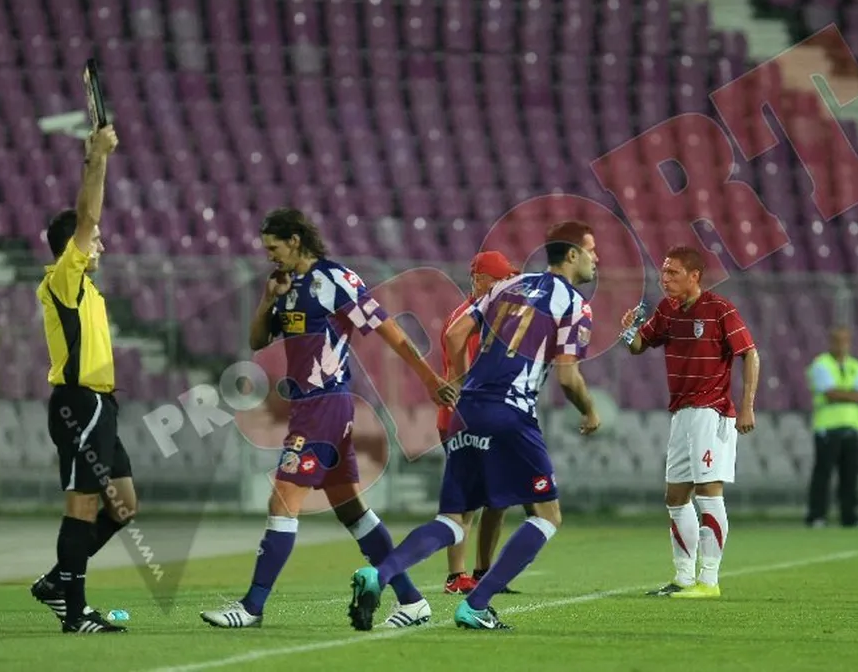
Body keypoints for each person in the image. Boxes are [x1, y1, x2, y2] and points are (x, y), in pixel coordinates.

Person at [200, 207, 457, 629]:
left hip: (325, 405)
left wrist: (429, 379)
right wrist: (268, 299)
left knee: (282, 500)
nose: (269, 256)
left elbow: (389, 331)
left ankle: (251, 607)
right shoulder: (285, 286)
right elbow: (258, 340)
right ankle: (412, 601)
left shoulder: (335, 280)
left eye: (274, 247)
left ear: (295, 240)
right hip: (311, 406)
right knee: (351, 509)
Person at [347, 220, 601, 632]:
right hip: (511, 411)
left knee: (452, 519)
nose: (596, 259)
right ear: (572, 255)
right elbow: (569, 378)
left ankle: (379, 574)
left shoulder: (508, 286)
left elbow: (455, 333)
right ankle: (477, 604)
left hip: (467, 411)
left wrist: (462, 382)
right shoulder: (575, 305)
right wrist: (589, 411)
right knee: (547, 515)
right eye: (591, 250)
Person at [29, 125, 135, 633]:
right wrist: (98, 158)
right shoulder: (63, 280)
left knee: (123, 506)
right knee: (83, 506)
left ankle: (58, 581)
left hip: (102, 406)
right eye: (95, 240)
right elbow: (88, 215)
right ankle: (75, 613)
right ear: (75, 245)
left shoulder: (88, 289)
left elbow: (90, 223)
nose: (102, 245)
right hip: (79, 405)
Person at [622, 245, 760, 599]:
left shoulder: (719, 309)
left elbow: (750, 354)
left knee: (708, 492)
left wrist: (747, 406)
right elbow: (638, 346)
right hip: (681, 412)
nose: (664, 278)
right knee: (675, 495)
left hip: (711, 412)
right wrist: (629, 329)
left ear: (694, 276)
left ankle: (709, 580)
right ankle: (683, 577)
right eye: (664, 271)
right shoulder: (667, 310)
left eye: (673, 273)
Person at [438, 251, 520, 596]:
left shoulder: (492, 315)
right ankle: (456, 576)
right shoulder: (471, 318)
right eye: (501, 279)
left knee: (498, 498)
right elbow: (466, 364)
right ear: (480, 280)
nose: (508, 285)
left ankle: (484, 572)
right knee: (467, 500)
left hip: (489, 415)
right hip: (465, 416)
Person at [805, 326, 858, 528]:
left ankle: (850, 517)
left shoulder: (856, 365)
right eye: (837, 340)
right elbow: (829, 393)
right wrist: (851, 394)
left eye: (844, 340)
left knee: (850, 475)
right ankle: (817, 516)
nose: (841, 345)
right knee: (823, 474)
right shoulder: (821, 364)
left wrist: (841, 393)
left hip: (852, 427)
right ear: (831, 342)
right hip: (828, 427)